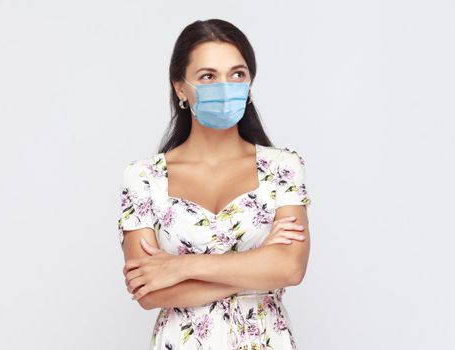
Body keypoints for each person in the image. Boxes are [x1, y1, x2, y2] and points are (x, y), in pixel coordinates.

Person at [118, 18, 312, 350]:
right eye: (208, 76)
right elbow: (149, 292)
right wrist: (258, 264)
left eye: (237, 74)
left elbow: (290, 267)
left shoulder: (281, 166)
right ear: (180, 87)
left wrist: (181, 267)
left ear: (250, 83)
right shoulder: (145, 178)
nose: (225, 86)